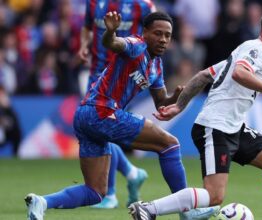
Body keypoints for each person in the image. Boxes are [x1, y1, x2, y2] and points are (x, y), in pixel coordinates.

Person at [25, 11, 219, 220]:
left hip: (88, 116)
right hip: (101, 111)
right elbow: (113, 43)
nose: (163, 39)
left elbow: (161, 102)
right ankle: (187, 210)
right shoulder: (136, 45)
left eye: (167, 35)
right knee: (169, 144)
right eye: (158, 33)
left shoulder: (156, 66)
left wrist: (179, 97)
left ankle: (41, 202)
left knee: (96, 192)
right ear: (145, 32)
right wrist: (110, 31)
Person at [130, 7, 262, 220]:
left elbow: (204, 75)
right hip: (216, 127)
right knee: (214, 195)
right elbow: (239, 73)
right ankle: (149, 209)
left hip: (233, 127)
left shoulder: (245, 51)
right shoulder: (256, 49)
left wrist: (179, 106)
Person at [76, 0, 156, 209]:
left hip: (122, 74)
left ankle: (110, 192)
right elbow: (87, 27)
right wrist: (84, 44)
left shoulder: (144, 5)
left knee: (105, 126)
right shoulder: (93, 3)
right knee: (98, 126)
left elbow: (156, 29)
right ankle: (131, 172)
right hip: (96, 72)